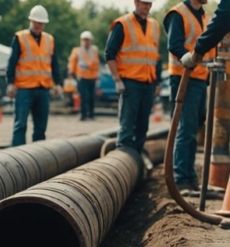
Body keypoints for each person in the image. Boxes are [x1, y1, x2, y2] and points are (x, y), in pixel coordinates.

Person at [164, 0, 216, 192]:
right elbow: (174, 44)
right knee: (185, 128)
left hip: (200, 78)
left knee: (193, 128)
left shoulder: (204, 15)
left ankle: (189, 177)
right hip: (183, 77)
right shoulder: (177, 13)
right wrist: (186, 57)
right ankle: (181, 178)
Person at [105, 0, 162, 154]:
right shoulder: (122, 24)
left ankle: (136, 161)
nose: (147, 7)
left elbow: (156, 56)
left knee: (143, 126)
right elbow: (109, 54)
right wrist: (117, 79)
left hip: (148, 83)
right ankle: (122, 159)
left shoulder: (154, 26)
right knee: (127, 125)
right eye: (144, 4)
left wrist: (158, 82)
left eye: (149, 4)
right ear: (136, 2)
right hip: (129, 83)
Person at [6, 5, 62, 146]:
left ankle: (37, 158)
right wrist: (11, 83)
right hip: (24, 88)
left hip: (43, 88)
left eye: (41, 23)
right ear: (31, 20)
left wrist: (58, 83)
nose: (39, 25)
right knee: (20, 125)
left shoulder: (50, 40)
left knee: (41, 127)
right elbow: (12, 62)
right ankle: (16, 157)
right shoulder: (20, 37)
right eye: (37, 22)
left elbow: (54, 64)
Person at [181, 0, 230, 67]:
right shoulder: (179, 12)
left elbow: (223, 20)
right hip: (182, 72)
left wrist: (198, 50)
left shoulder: (206, 15)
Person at [68, 31, 100, 121]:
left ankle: (91, 114)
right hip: (82, 77)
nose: (86, 42)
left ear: (91, 41)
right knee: (84, 96)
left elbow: (96, 63)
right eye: (84, 40)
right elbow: (72, 62)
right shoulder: (77, 51)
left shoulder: (94, 50)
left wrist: (97, 75)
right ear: (81, 41)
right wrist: (71, 72)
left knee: (92, 97)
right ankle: (83, 114)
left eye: (88, 40)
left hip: (92, 77)